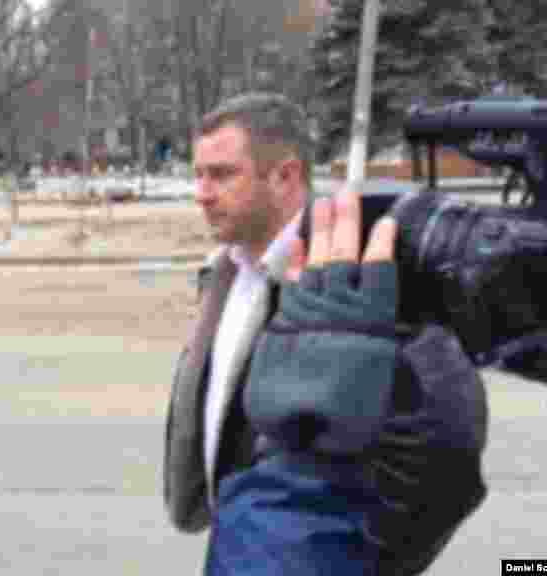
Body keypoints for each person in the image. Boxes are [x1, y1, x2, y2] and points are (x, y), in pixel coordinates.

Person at [163, 92, 488, 574]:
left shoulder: (365, 280)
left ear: (286, 175)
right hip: (244, 541)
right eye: (199, 174)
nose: (202, 193)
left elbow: (445, 458)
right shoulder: (227, 271)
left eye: (222, 174)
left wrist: (350, 556)